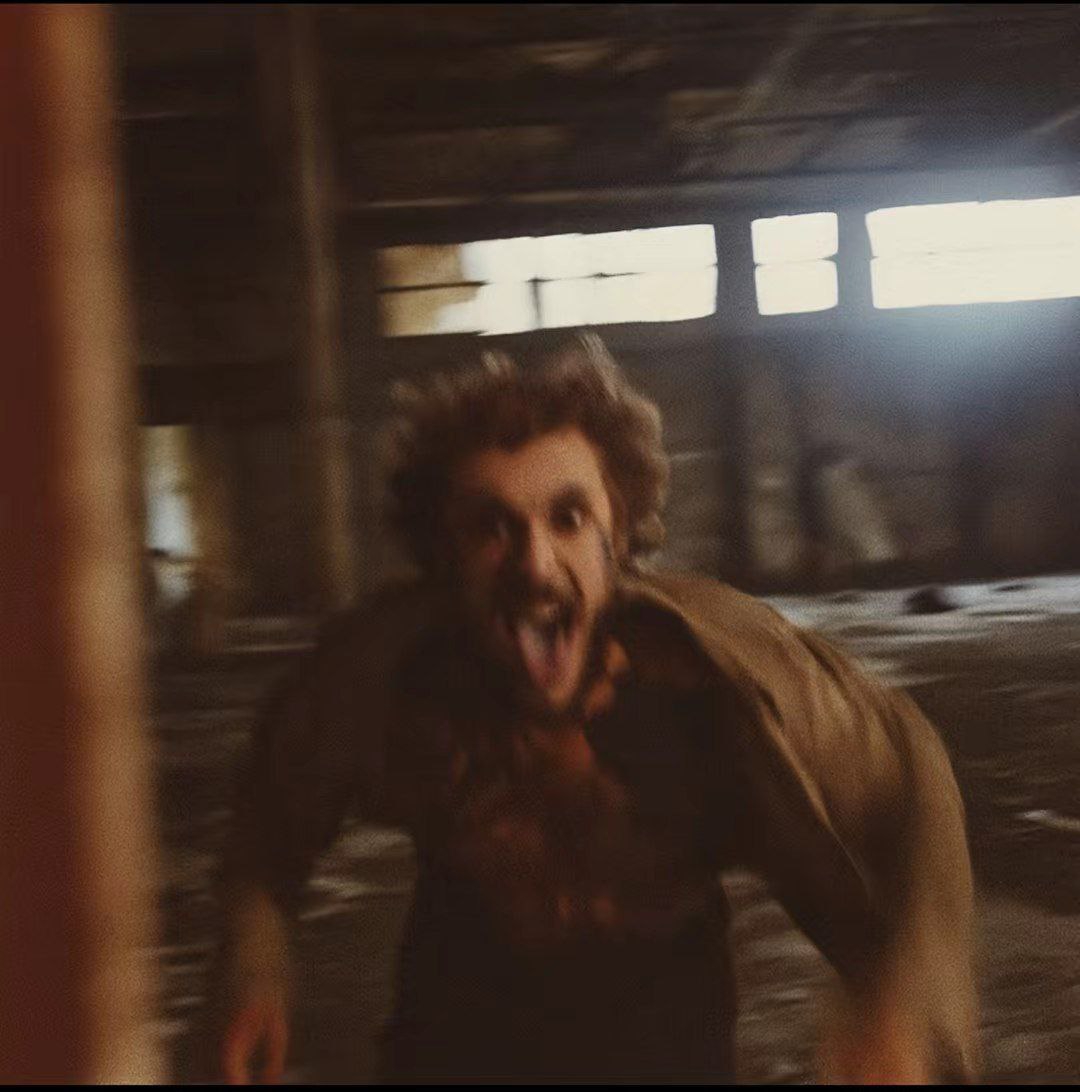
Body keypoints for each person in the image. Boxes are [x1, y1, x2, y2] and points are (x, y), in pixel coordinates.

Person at [211, 334, 978, 1084]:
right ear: (443, 557)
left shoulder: (714, 676)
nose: (534, 564)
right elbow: (272, 809)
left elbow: (912, 772)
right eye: (492, 527)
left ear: (619, 535)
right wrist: (255, 954)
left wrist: (903, 999)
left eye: (568, 518)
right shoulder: (390, 673)